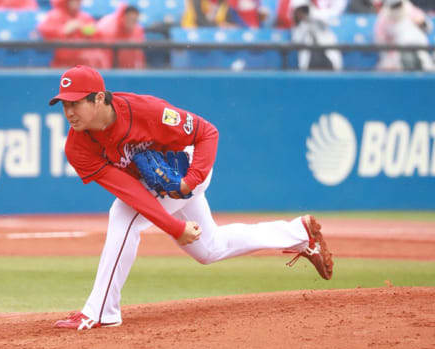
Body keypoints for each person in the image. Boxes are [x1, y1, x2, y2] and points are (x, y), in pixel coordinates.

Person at [49, 65, 334, 330]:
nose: (69, 111)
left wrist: (189, 182)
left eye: (75, 102)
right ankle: (298, 233)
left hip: (188, 166)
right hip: (157, 188)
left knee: (122, 216)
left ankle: (101, 311)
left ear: (99, 98)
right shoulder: (77, 149)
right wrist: (175, 227)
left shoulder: (147, 111)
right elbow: (130, 192)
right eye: (64, 104)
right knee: (209, 249)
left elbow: (207, 133)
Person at [37, 0, 106, 68]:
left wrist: (86, 30)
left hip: (83, 65)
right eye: (73, 1)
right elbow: (44, 31)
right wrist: (64, 30)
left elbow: (98, 35)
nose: (76, 3)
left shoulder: (84, 17)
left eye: (78, 1)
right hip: (62, 64)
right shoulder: (54, 15)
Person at [374, 0, 434, 71]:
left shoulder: (409, 9)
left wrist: (422, 24)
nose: (397, 7)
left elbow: (428, 28)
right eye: (394, 5)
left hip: (419, 46)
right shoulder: (383, 17)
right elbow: (380, 41)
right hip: (397, 52)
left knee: (427, 66)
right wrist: (390, 42)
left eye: (398, 4)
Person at [290, 0, 343, 70]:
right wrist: (303, 23)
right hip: (310, 63)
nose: (301, 13)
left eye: (304, 9)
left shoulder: (319, 17)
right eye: (299, 11)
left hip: (328, 58)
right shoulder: (298, 27)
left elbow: (329, 21)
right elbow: (296, 41)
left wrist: (310, 15)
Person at [96, 3, 145, 69]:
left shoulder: (138, 29)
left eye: (134, 20)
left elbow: (139, 55)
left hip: (127, 69)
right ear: (123, 17)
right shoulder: (109, 28)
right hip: (109, 69)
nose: (131, 23)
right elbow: (104, 54)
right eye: (129, 19)